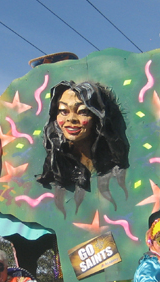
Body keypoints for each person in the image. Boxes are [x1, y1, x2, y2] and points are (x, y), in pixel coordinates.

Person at [37, 80, 129, 211]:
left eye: (82, 111)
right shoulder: (57, 165)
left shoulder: (114, 167)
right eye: (63, 111)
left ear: (97, 116)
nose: (71, 119)